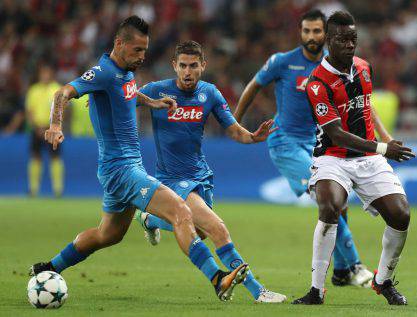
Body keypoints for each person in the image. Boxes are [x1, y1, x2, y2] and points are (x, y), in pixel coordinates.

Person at [29, 16, 251, 302]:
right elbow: (62, 93)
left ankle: (48, 267)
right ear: (119, 44)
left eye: (145, 50)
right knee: (181, 212)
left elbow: (129, 94)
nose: (142, 56)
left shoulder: (126, 72)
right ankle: (217, 278)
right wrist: (56, 125)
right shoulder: (104, 72)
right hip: (122, 170)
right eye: (137, 50)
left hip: (122, 169)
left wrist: (153, 102)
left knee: (107, 235)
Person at [233, 9, 379, 287]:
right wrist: (235, 125)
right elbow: (253, 86)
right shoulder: (282, 62)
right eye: (306, 31)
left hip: (319, 143)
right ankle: (357, 266)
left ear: (326, 34)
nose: (311, 37)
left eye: (317, 31)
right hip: (285, 143)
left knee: (339, 201)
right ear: (300, 33)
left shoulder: (332, 67)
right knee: (328, 200)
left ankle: (340, 272)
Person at [135, 40, 287, 303]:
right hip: (171, 179)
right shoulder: (157, 91)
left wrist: (253, 137)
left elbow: (233, 130)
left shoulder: (210, 94)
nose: (187, 71)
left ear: (203, 66)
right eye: (182, 65)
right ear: (174, 65)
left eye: (193, 66)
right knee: (218, 229)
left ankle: (149, 219)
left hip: (200, 175)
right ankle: (258, 291)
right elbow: (126, 97)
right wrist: (104, 102)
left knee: (201, 232)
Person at [291, 11, 415, 306]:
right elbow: (336, 134)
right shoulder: (317, 83)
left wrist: (385, 140)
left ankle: (382, 281)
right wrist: (384, 149)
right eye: (342, 39)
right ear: (327, 41)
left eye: (353, 39)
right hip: (333, 157)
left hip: (370, 157)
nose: (349, 44)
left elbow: (366, 107)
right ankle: (316, 290)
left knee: (401, 216)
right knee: (330, 207)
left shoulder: (364, 68)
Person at [25, 65, 64, 197]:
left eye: (47, 73)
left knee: (55, 157)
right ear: (40, 74)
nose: (45, 76)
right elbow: (29, 111)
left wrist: (52, 127)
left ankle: (58, 189)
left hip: (53, 129)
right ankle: (33, 189)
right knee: (35, 156)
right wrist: (36, 127)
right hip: (36, 128)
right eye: (43, 73)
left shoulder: (57, 89)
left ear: (51, 74)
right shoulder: (33, 90)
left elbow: (60, 110)